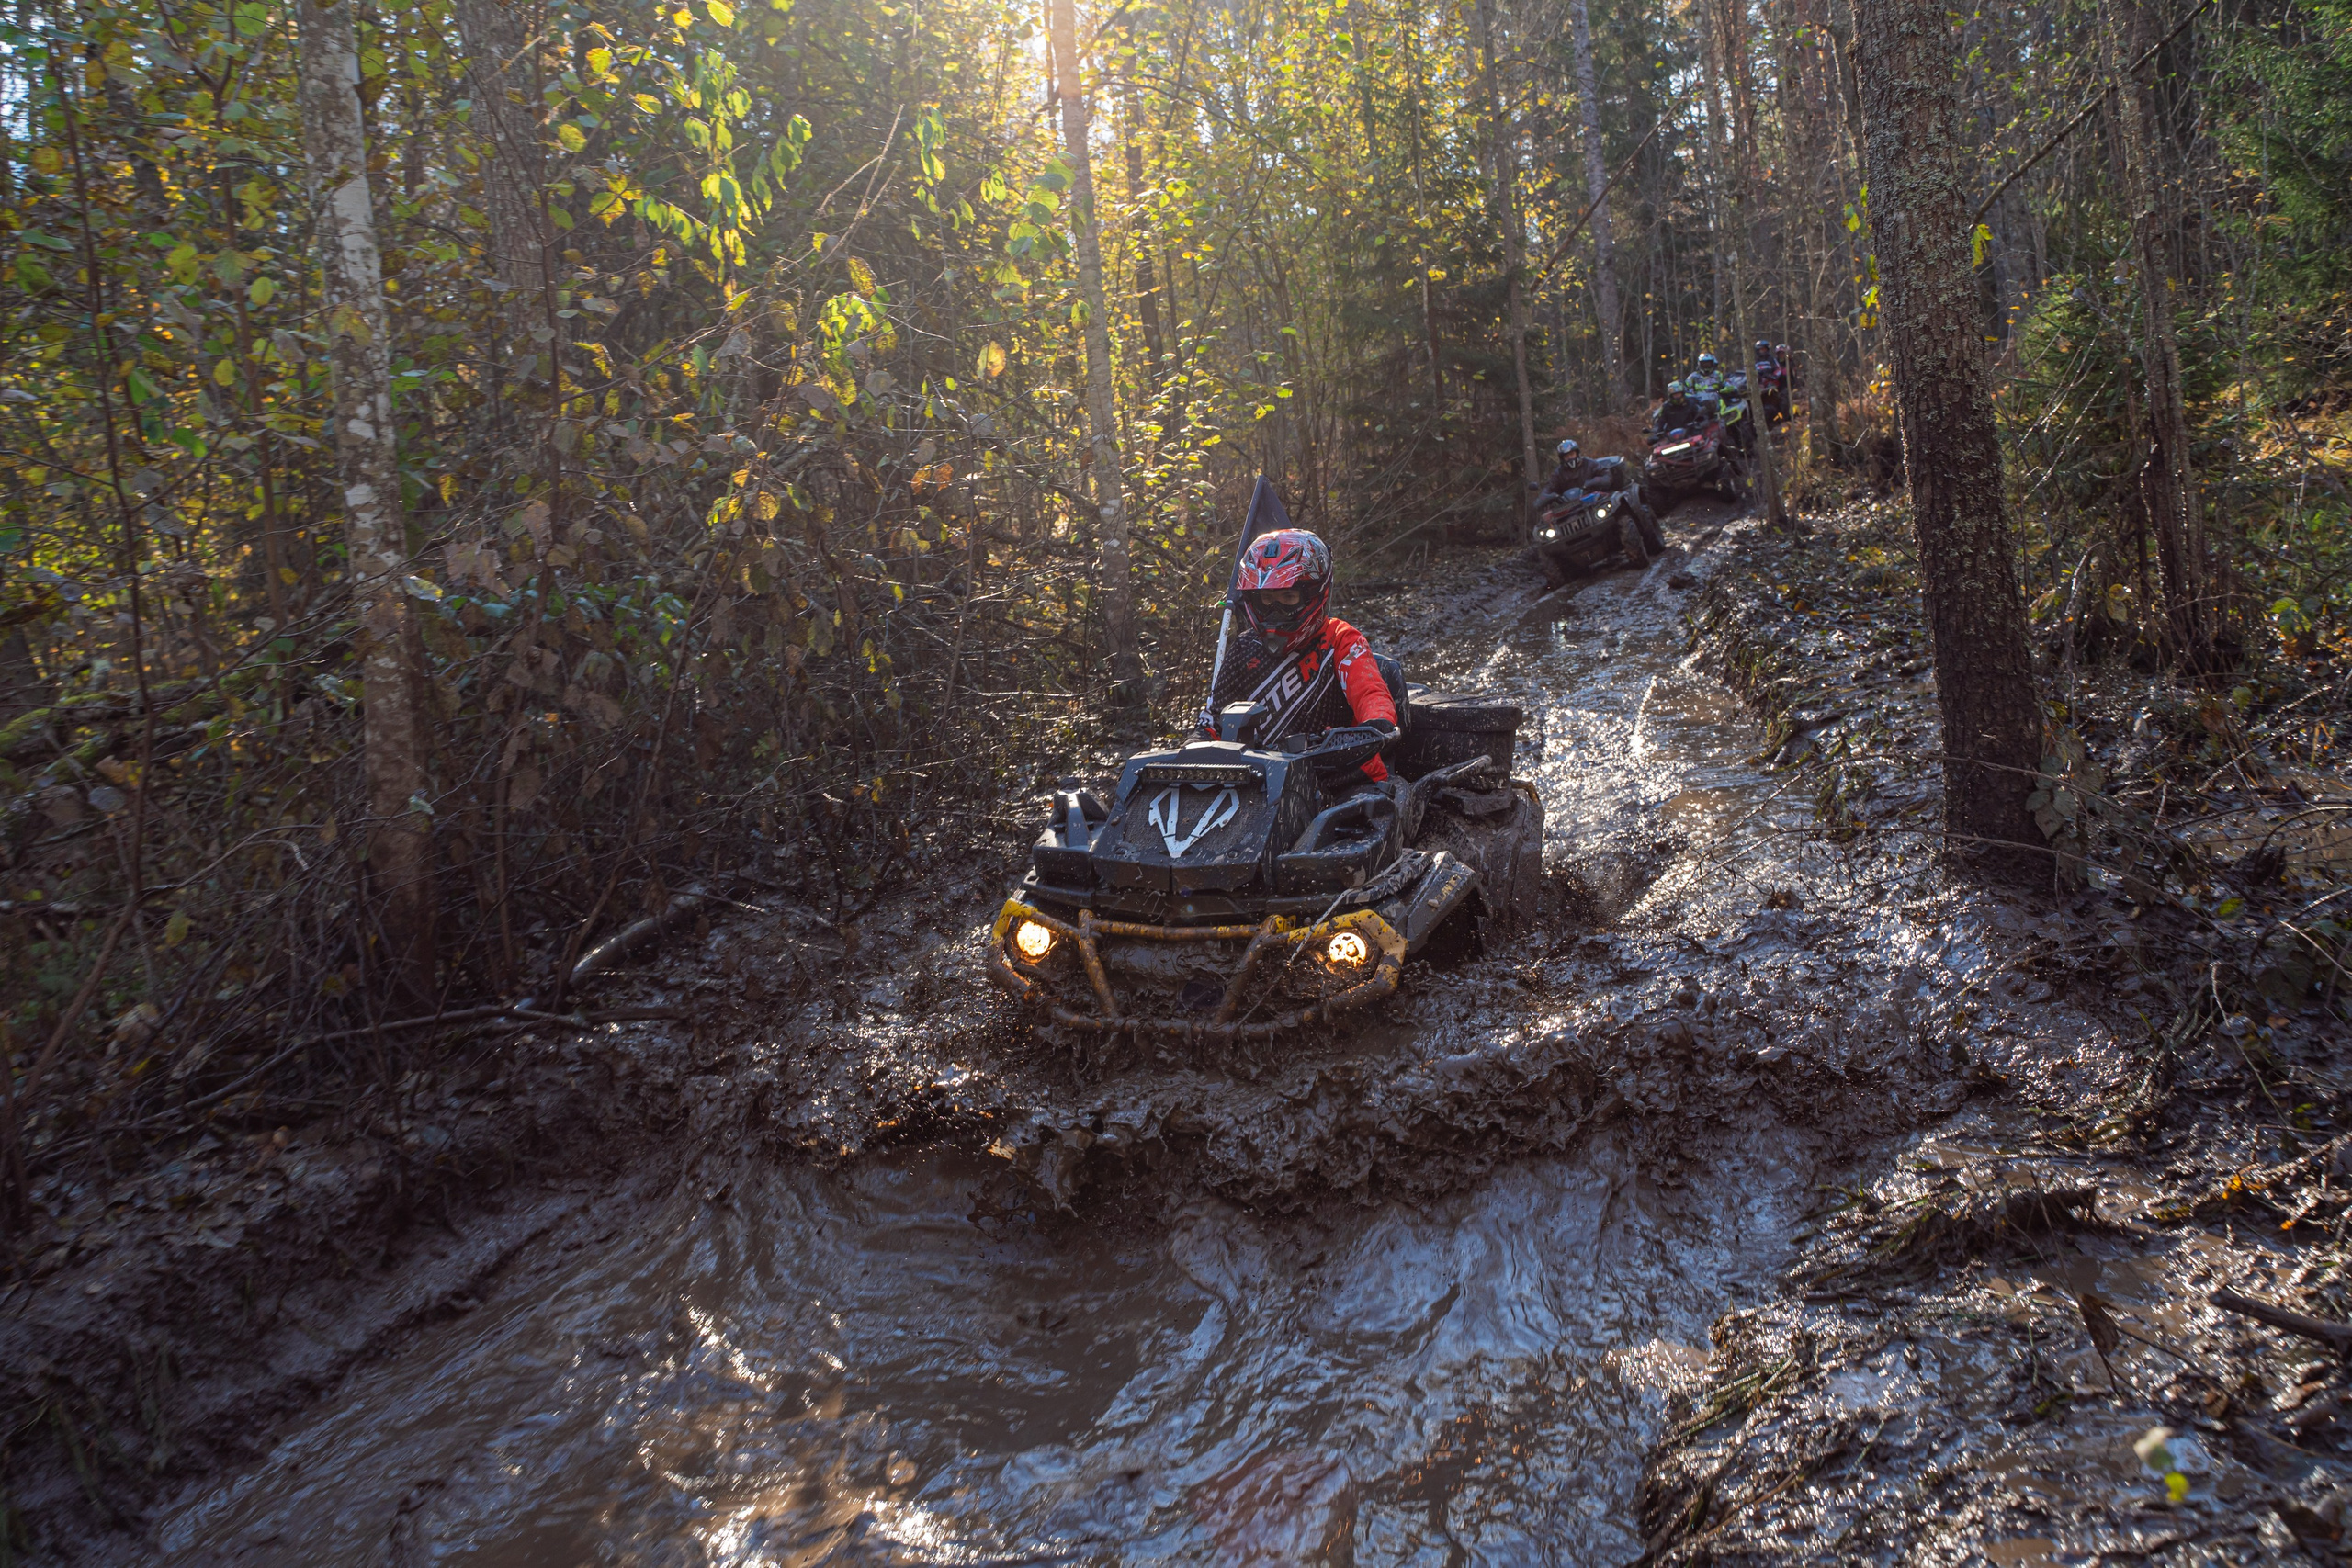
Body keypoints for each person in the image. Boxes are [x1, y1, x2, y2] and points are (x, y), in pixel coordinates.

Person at [1204, 528, 1398, 783]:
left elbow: (1369, 692)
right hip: (1260, 783)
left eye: (1288, 596)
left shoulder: (1340, 638)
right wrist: (1198, 747)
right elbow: (1213, 720)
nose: (1275, 609)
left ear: (1313, 594)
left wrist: (1377, 723)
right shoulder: (1244, 646)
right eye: (1267, 598)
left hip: (1340, 773)